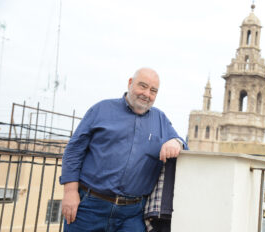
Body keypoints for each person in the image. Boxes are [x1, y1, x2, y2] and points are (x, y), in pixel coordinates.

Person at [60, 68, 186, 231]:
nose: (147, 94)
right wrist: (70, 192)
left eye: (153, 91)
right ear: (130, 83)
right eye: (143, 86)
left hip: (132, 216)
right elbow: (74, 151)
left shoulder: (160, 119)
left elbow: (181, 143)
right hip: (90, 208)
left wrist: (176, 142)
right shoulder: (101, 109)